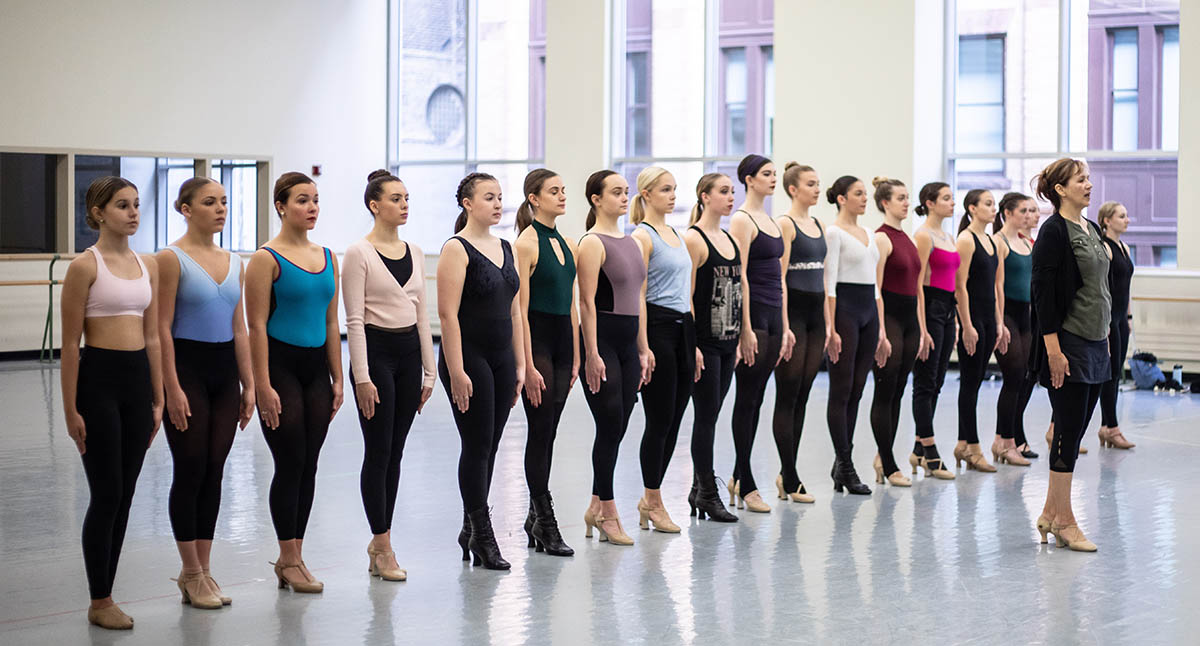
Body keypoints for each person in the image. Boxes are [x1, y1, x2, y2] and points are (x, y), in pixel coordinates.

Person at [60, 176, 163, 629]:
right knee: (108, 493)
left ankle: (108, 592)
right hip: (98, 380)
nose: (134, 212)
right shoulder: (85, 266)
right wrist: (69, 410)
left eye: (137, 205)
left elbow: (155, 335)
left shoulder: (148, 265)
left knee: (127, 493)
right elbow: (68, 345)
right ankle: (99, 599)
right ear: (99, 212)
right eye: (123, 205)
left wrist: (158, 396)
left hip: (137, 382)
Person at [156, 177, 253, 609]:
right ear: (185, 209)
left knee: (215, 468)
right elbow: (159, 328)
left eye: (224, 202)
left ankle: (204, 569)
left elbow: (239, 327)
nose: (220, 208)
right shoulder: (169, 259)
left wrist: (250, 383)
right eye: (210, 202)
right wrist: (171, 387)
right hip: (187, 370)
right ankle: (189, 570)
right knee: (191, 465)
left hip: (224, 371)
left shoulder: (235, 261)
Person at [245, 172, 342, 592]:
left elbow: (331, 319)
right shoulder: (265, 259)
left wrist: (339, 376)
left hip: (316, 367)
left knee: (310, 463)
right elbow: (256, 326)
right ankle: (287, 558)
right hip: (280, 367)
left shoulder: (328, 256)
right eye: (303, 200)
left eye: (316, 200)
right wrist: (261, 384)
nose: (312, 207)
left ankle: (297, 554)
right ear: (281, 206)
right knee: (290, 460)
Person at [343, 170, 436, 581]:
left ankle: (381, 539)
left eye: (406, 198)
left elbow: (420, 313)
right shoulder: (358, 253)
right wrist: (362, 377)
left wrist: (429, 373)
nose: (404, 205)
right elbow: (355, 319)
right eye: (396, 199)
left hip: (408, 356)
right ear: (374, 205)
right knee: (378, 450)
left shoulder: (414, 251)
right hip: (375, 355)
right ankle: (382, 544)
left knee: (395, 453)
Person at [437, 172, 524, 570]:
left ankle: (469, 526)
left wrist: (521, 363)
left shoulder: (508, 247)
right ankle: (483, 532)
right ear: (467, 203)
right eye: (489, 197)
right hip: (468, 357)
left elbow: (515, 311)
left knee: (491, 446)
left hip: (502, 358)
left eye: (500, 197)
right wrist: (456, 370)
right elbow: (447, 314)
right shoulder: (456, 248)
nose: (497, 203)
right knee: (476, 445)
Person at [1030, 158, 1109, 552]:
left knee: (1075, 430)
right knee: (1065, 432)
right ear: (1061, 189)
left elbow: (1100, 289)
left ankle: (1048, 511)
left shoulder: (1091, 229)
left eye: (1089, 179)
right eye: (1081, 179)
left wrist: (1107, 337)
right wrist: (1053, 351)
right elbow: (1042, 296)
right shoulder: (1053, 232)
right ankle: (1065, 521)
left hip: (1096, 342)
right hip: (1069, 342)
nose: (1089, 185)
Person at [578, 170, 651, 545]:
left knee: (620, 424)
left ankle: (594, 504)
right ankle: (607, 512)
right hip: (602, 340)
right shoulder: (591, 242)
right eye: (616, 192)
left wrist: (643, 346)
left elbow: (638, 296)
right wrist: (590, 353)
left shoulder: (633, 241)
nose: (625, 198)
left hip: (627, 342)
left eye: (626, 192)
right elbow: (586, 302)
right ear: (596, 199)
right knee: (609, 425)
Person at [513, 168, 578, 555]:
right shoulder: (526, 243)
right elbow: (519, 310)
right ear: (534, 198)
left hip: (562, 343)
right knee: (540, 430)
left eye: (563, 189)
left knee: (550, 430)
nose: (562, 196)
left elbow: (570, 304)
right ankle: (544, 517)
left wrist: (576, 355)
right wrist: (528, 365)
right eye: (554, 191)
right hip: (536, 342)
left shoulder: (566, 242)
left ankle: (533, 516)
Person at [630, 166, 697, 533]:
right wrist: (643, 346)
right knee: (659, 419)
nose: (672, 195)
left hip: (683, 329)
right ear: (647, 195)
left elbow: (686, 291)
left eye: (674, 189)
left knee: (675, 419)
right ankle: (652, 500)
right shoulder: (644, 236)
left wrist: (695, 341)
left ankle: (650, 498)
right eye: (665, 190)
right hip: (657, 329)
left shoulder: (677, 234)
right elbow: (637, 295)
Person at [727, 154, 785, 512]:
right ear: (748, 179)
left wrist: (786, 324)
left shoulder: (771, 220)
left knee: (758, 398)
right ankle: (745, 483)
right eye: (766, 174)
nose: (772, 179)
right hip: (755, 314)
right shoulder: (742, 220)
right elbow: (740, 275)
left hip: (776, 313)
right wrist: (745, 328)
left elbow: (780, 274)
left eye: (775, 174)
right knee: (747, 398)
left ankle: (738, 474)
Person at [684, 173, 741, 523]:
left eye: (733, 191)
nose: (730, 197)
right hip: (705, 342)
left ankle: (696, 486)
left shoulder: (730, 238)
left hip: (729, 341)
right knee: (705, 417)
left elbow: (740, 287)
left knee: (713, 415)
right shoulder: (694, 238)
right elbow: (686, 297)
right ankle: (706, 490)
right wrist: (693, 346)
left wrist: (743, 334)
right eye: (723, 191)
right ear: (704, 197)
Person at [823, 175, 884, 495]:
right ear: (842, 198)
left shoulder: (869, 234)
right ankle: (845, 464)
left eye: (865, 194)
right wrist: (830, 328)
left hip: (868, 313)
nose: (864, 198)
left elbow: (876, 286)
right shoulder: (833, 233)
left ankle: (840, 463)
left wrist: (882, 330)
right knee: (841, 389)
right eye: (858, 194)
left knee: (858, 389)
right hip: (844, 311)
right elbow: (829, 281)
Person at [771, 162, 823, 503]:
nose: (818, 189)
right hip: (794, 317)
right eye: (811, 184)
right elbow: (780, 278)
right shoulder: (785, 225)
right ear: (793, 189)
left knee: (803, 394)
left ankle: (788, 471)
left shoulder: (818, 224)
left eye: (818, 183)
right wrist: (785, 325)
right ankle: (789, 476)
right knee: (787, 394)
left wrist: (830, 324)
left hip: (817, 316)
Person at [868, 177, 917, 487]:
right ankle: (887, 462)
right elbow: (876, 289)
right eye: (900, 197)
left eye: (907, 197)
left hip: (911, 321)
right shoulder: (881, 239)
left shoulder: (906, 238)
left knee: (898, 392)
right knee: (885, 392)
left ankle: (882, 454)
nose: (906, 202)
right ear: (885, 202)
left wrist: (923, 329)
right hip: (891, 321)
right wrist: (881, 331)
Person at [952, 189, 1004, 473]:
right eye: (987, 204)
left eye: (994, 203)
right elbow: (961, 287)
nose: (992, 208)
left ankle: (963, 444)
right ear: (972, 208)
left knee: (976, 382)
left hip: (987, 320)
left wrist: (998, 323)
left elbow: (995, 288)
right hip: (972, 322)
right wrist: (967, 325)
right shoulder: (965, 240)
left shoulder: (992, 240)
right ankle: (971, 446)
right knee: (969, 384)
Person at [909, 182, 958, 480]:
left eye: (952, 198)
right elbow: (916, 284)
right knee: (925, 381)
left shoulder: (948, 236)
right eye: (946, 198)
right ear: (929, 203)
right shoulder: (923, 236)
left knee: (939, 379)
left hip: (948, 308)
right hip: (929, 307)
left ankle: (917, 447)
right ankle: (929, 451)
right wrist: (922, 326)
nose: (952, 203)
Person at [991, 192, 1037, 466]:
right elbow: (996, 286)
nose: (1028, 215)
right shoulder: (999, 242)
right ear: (1007, 213)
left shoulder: (1026, 242)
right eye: (1023, 210)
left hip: (1026, 315)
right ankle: (1003, 439)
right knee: (1013, 376)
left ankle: (1015, 436)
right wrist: (999, 322)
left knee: (1027, 376)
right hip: (1006, 313)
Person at [1096, 201, 1136, 450]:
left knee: (1116, 373)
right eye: (1122, 216)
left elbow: (1127, 288)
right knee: (1110, 375)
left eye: (1126, 215)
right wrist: (1107, 322)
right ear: (1107, 220)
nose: (1127, 219)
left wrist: (1129, 318)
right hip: (1108, 319)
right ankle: (1111, 428)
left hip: (1121, 319)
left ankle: (1106, 426)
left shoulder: (1125, 248)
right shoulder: (1105, 248)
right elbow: (1103, 289)